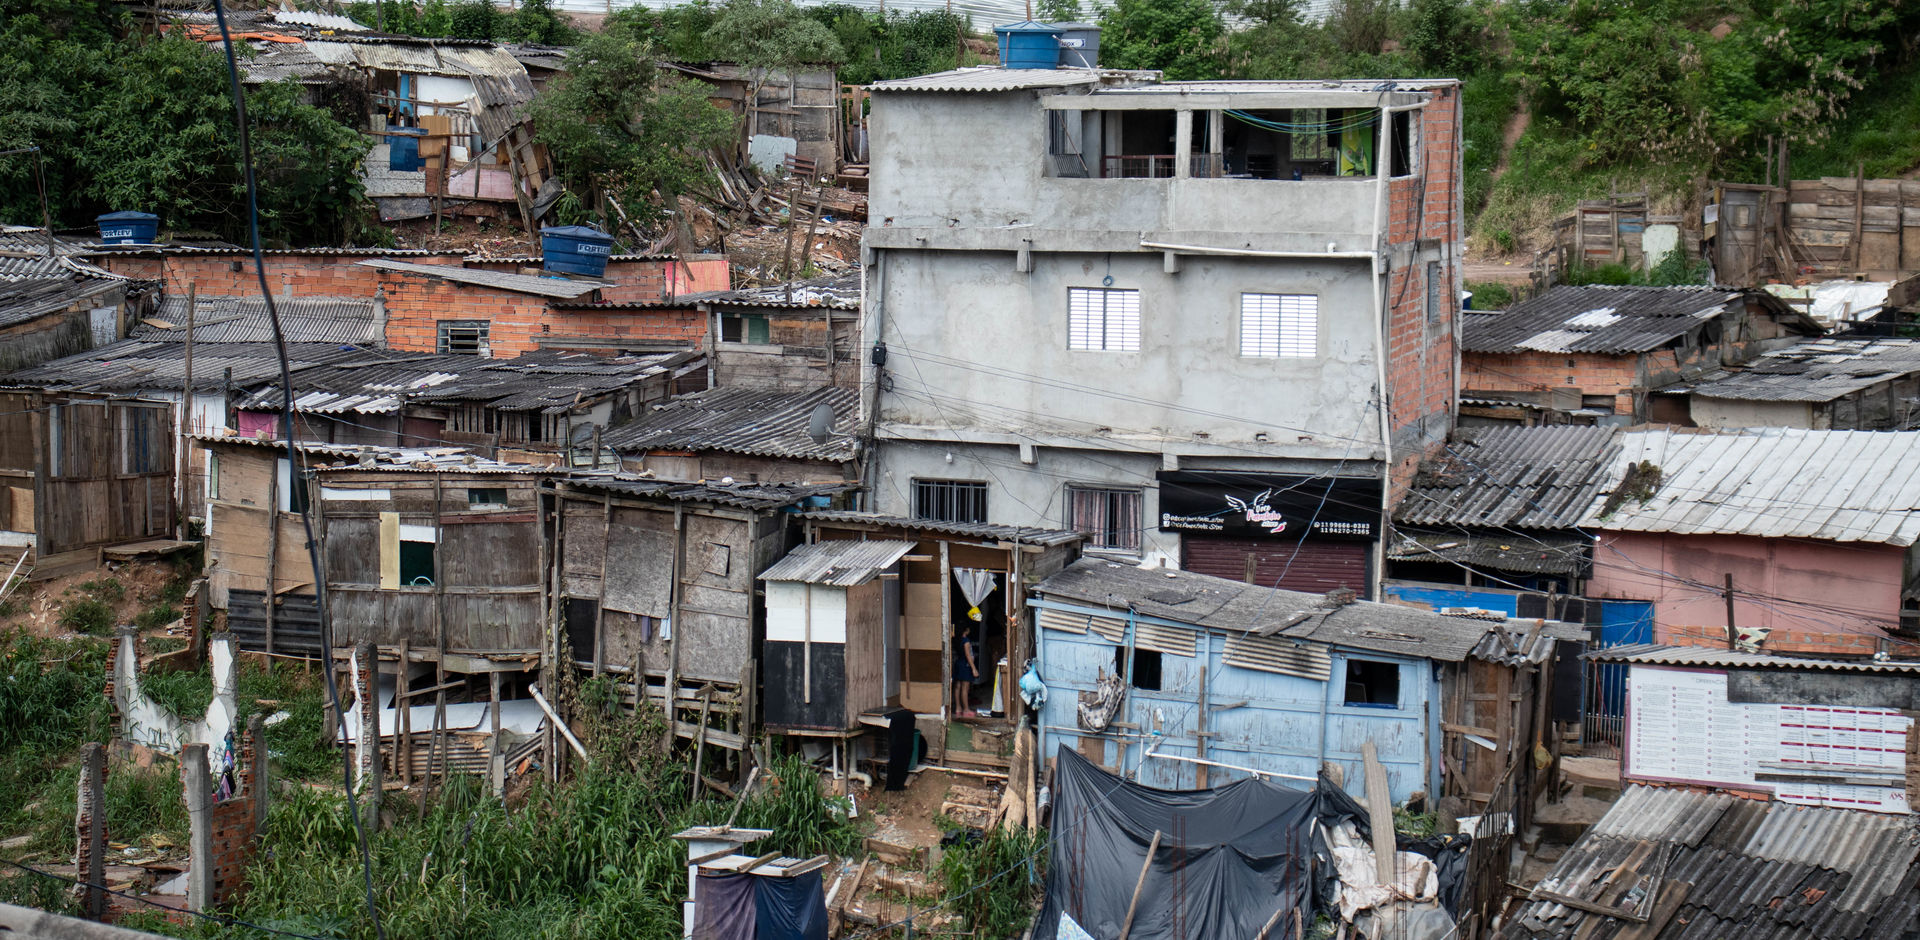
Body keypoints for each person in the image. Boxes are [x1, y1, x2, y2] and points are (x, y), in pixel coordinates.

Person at [952, 622, 979, 718]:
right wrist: (974, 668)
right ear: (966, 630)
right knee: (965, 688)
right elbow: (968, 655)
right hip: (965, 665)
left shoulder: (957, 639)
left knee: (957, 686)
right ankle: (966, 709)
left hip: (959, 663)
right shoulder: (966, 641)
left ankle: (958, 708)